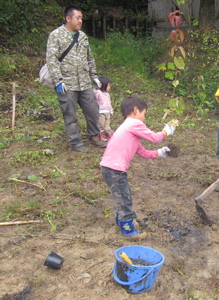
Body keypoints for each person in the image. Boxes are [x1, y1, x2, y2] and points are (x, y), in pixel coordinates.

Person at [100, 96, 176, 240]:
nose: (145, 118)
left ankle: (121, 221)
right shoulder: (133, 124)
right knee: (124, 198)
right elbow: (154, 137)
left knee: (122, 196)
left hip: (110, 168)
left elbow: (143, 152)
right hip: (114, 169)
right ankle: (128, 230)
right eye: (144, 114)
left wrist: (160, 153)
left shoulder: (128, 130)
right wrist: (167, 131)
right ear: (136, 111)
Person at [46, 5, 106, 152]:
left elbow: (89, 57)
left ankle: (94, 135)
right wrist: (58, 80)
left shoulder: (83, 36)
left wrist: (94, 76)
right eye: (77, 18)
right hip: (67, 84)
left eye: (81, 18)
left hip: (84, 82)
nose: (80, 21)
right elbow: (51, 59)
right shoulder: (56, 35)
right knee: (70, 113)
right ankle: (75, 142)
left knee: (92, 109)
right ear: (68, 18)